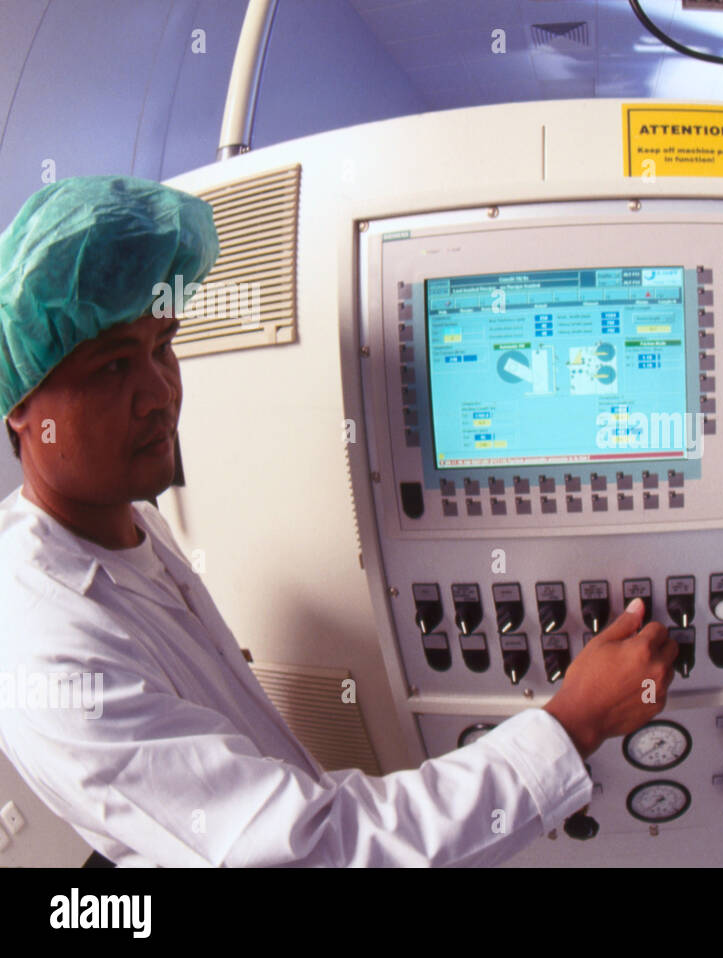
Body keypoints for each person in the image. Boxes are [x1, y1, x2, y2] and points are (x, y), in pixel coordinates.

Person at [0, 176, 677, 866]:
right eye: (113, 366)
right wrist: (573, 722)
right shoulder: (49, 653)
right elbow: (312, 851)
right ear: (19, 405)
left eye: (163, 346)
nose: (159, 392)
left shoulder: (129, 523)